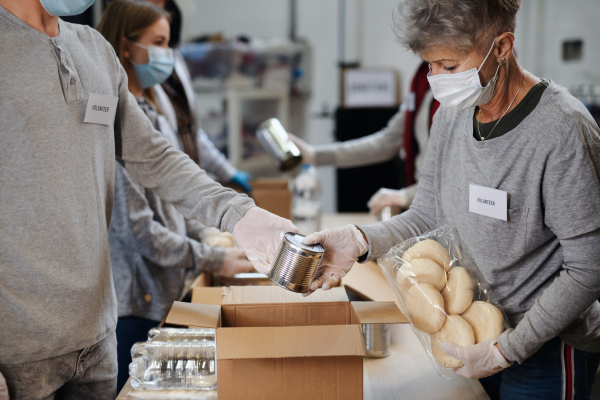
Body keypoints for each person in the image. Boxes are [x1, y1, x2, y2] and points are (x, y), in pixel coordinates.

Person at [0, 0, 298, 398]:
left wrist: (239, 215)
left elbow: (154, 156)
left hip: (96, 338)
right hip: (17, 350)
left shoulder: (94, 49)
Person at [303, 0, 600, 398]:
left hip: (545, 348)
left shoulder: (561, 129)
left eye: (449, 66)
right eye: (429, 66)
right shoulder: (451, 114)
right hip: (473, 328)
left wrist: (506, 350)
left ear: (502, 47)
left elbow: (589, 267)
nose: (436, 80)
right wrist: (359, 240)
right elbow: (427, 213)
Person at [96, 1, 254, 391]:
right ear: (126, 46)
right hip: (136, 296)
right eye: (159, 43)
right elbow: (141, 231)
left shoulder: (153, 109)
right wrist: (214, 255)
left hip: (165, 286)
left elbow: (175, 185)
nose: (167, 54)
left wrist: (211, 230)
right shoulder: (111, 122)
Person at [289, 62, 439, 214]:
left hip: (442, 206)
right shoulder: (422, 77)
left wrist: (406, 196)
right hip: (422, 207)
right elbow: (386, 142)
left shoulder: (453, 87)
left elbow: (456, 176)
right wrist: (314, 155)